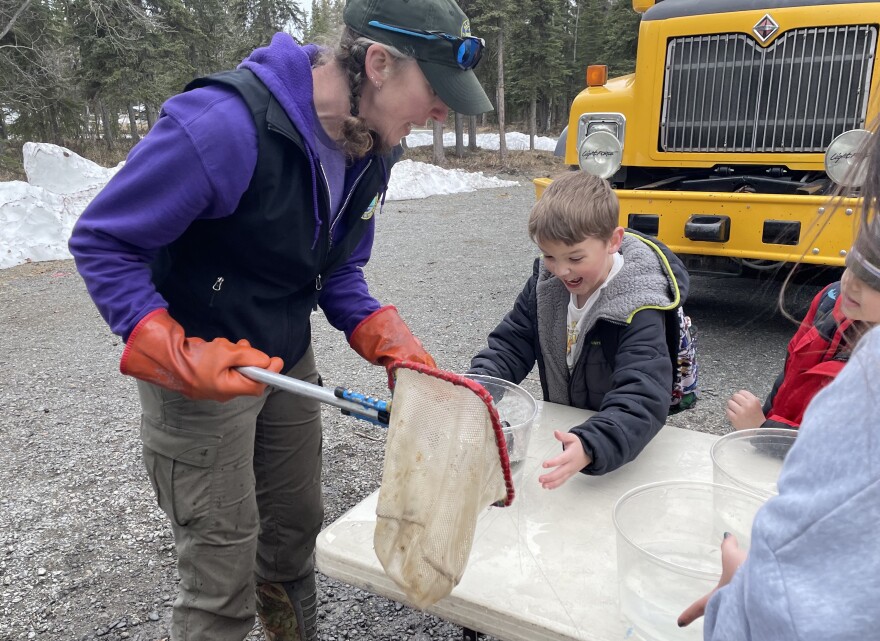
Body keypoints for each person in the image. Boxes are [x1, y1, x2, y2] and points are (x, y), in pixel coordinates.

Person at [67, 1, 492, 639]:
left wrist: (387, 340)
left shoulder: (371, 142)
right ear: (378, 63)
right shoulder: (223, 126)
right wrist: (170, 349)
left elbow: (338, 270)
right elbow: (104, 241)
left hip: (286, 361)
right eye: (434, 90)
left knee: (294, 536)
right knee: (221, 577)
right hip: (199, 373)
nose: (441, 112)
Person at [678, 134, 880, 639]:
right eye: (857, 254)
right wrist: (769, 415)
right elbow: (792, 369)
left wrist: (764, 429)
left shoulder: (867, 396)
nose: (851, 283)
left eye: (873, 271)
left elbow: (794, 603)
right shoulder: (833, 301)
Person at [468, 171, 690, 489]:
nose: (561, 270)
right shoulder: (546, 285)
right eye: (549, 256)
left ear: (612, 241)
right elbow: (512, 342)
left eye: (574, 257)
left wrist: (592, 443)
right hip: (567, 430)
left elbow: (642, 395)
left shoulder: (640, 305)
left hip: (616, 447)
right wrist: (478, 390)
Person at [725, 278, 863, 431]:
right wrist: (763, 424)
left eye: (873, 278)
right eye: (853, 265)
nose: (852, 282)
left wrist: (763, 428)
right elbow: (790, 373)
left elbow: (845, 446)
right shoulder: (831, 298)